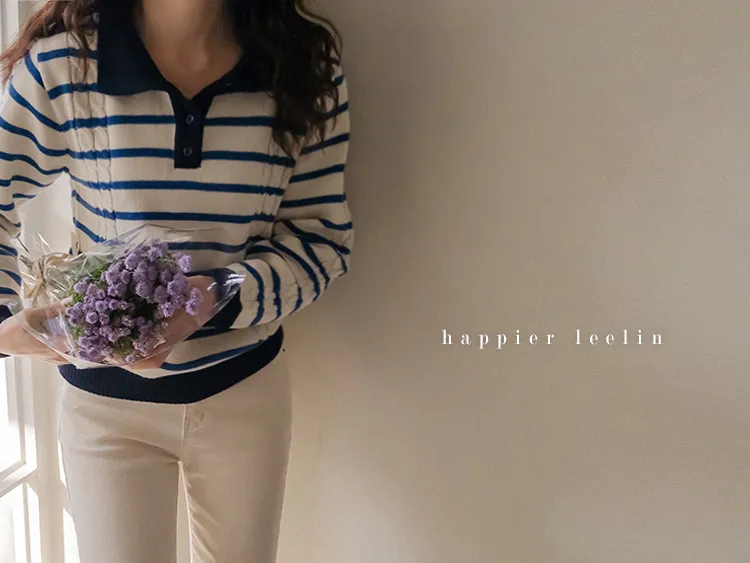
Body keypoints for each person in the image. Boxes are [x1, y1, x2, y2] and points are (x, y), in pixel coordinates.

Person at [0, 0, 353, 561]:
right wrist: (5, 327)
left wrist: (217, 294)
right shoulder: (66, 66)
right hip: (106, 408)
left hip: (243, 392)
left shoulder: (301, 67)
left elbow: (321, 240)